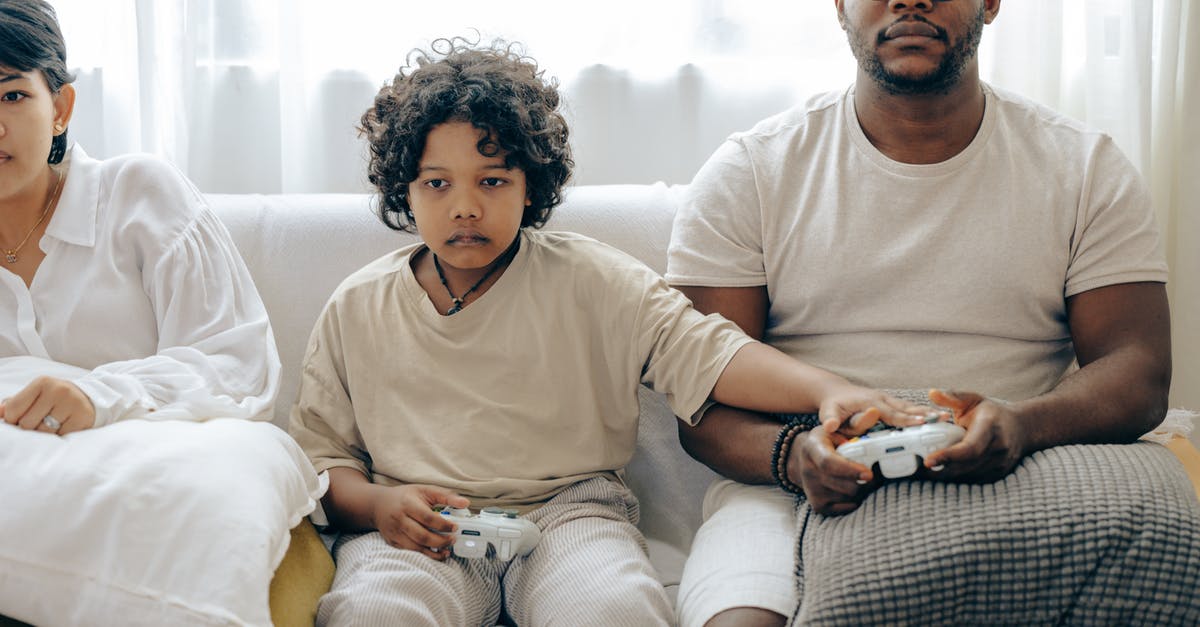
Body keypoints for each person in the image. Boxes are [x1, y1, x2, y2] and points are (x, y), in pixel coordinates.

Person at [288, 37, 931, 627]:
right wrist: (377, 507)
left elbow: (708, 353)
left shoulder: (594, 279)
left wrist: (827, 392)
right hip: (419, 528)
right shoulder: (358, 306)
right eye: (437, 184)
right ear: (405, 188)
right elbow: (323, 462)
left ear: (530, 186)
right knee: (370, 613)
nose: (465, 206)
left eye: (492, 181)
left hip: (574, 513)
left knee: (614, 609)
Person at [668, 0, 1197, 625]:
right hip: (800, 481)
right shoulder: (749, 171)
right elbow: (701, 402)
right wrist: (794, 455)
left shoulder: (1084, 166)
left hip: (1029, 459)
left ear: (992, 3)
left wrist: (1025, 425)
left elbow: (1138, 369)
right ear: (838, 6)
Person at [0, 1, 315, 623]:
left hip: (159, 489)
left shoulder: (138, 193)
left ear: (60, 107)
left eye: (10, 96)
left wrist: (100, 396)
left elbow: (238, 362)